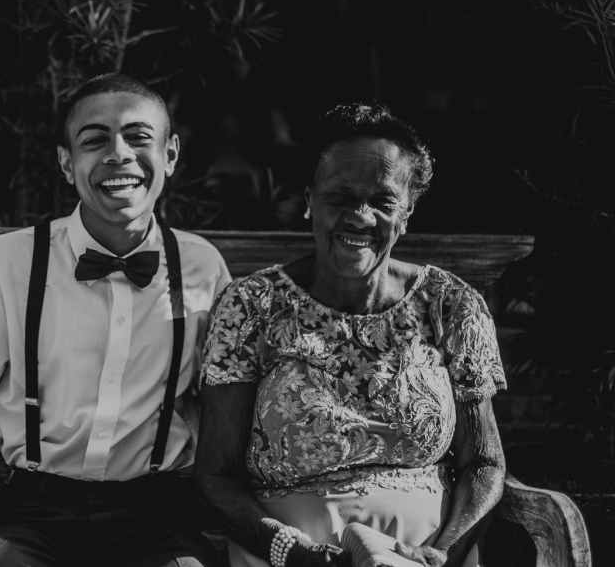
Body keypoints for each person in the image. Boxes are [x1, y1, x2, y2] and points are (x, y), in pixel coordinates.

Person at [0, 73, 233, 566]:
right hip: (32, 514)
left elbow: (223, 407)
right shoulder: (6, 262)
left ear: (170, 154)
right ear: (65, 162)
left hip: (158, 516)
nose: (118, 153)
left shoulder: (203, 267)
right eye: (94, 140)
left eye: (138, 137)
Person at [195, 104, 507, 567]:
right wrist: (296, 553)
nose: (360, 217)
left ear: (407, 213)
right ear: (309, 201)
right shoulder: (252, 305)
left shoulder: (450, 305)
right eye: (340, 198)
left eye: (382, 202)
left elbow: (483, 462)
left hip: (422, 556)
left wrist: (439, 556)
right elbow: (216, 476)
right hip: (288, 556)